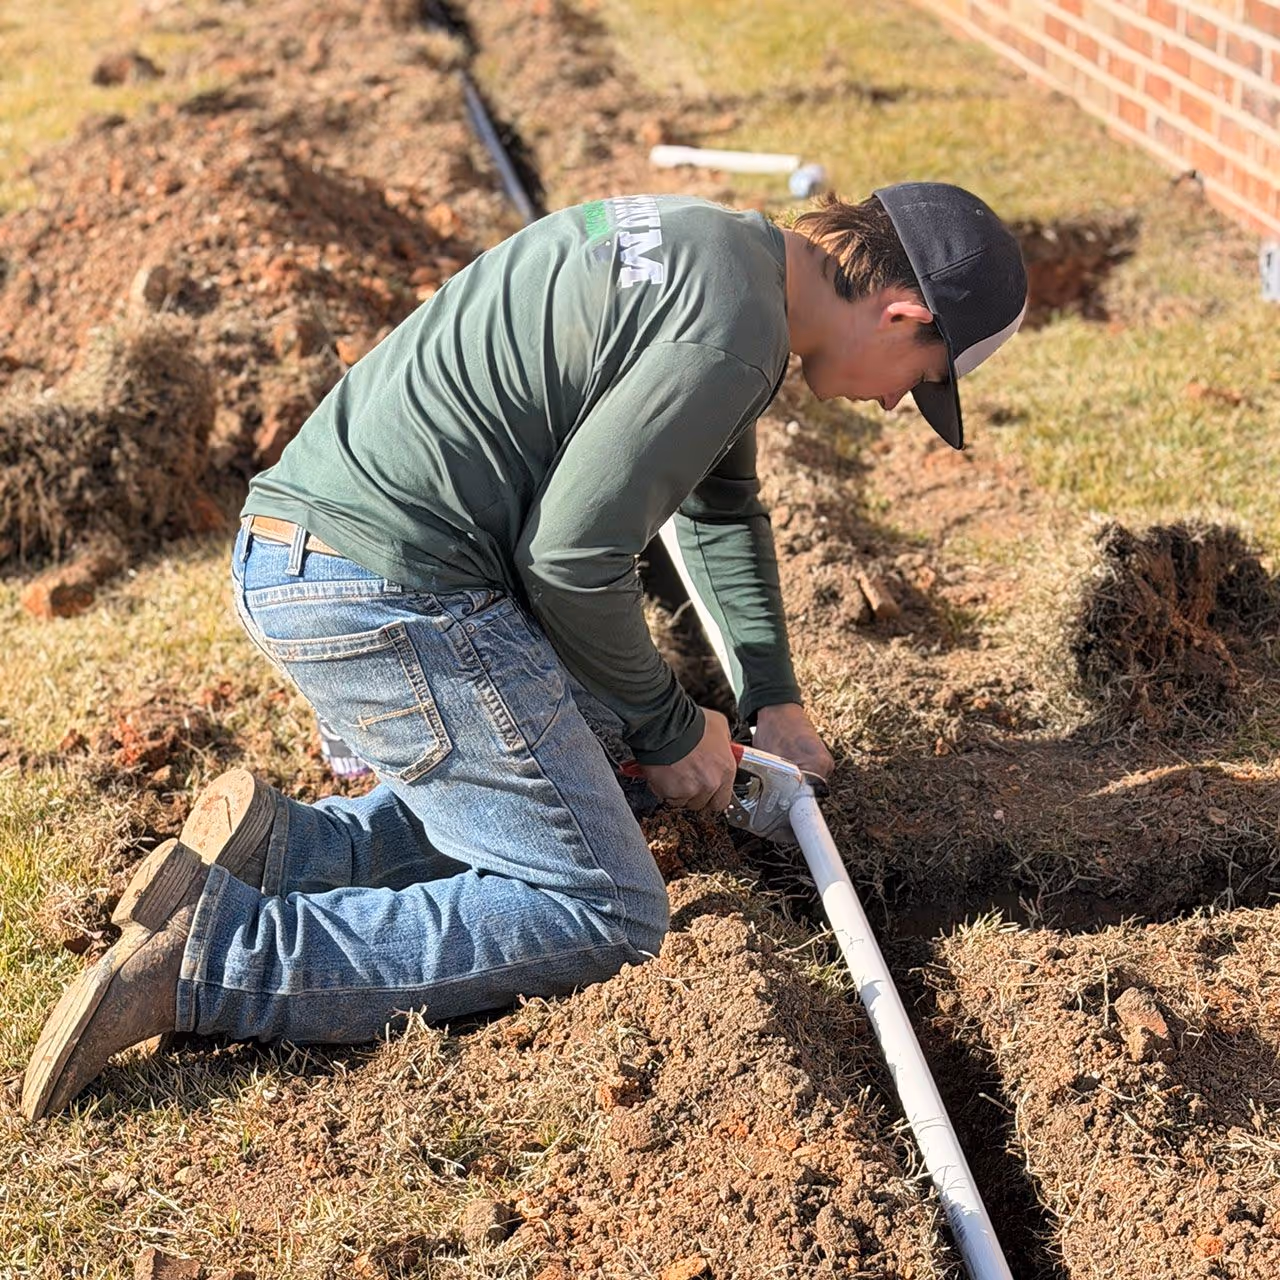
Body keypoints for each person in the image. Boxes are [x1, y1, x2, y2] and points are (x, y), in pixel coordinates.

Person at [23, 182, 1028, 1119]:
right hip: (384, 594)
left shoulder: (725, 256)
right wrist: (673, 726)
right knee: (602, 904)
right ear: (902, 316)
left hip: (305, 544)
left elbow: (722, 508)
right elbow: (572, 561)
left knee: (604, 747)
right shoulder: (728, 338)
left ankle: (288, 853)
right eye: (923, 381)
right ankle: (219, 960)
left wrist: (772, 696)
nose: (899, 403)